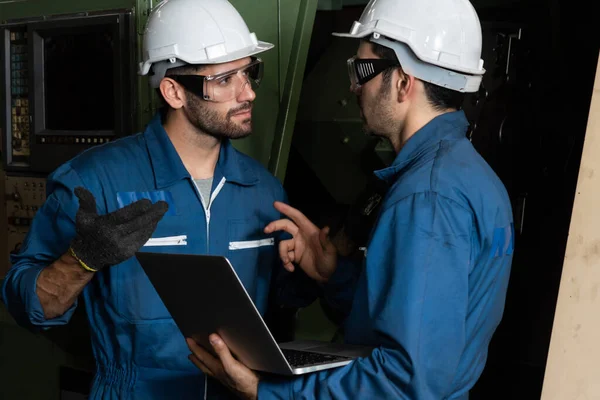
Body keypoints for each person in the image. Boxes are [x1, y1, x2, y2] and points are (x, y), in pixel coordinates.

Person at [185, 0, 515, 398]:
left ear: (403, 82)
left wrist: (265, 392)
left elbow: (405, 380)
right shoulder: (469, 175)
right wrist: (332, 273)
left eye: (362, 71)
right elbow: (421, 323)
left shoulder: (428, 198)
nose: (353, 86)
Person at [1, 0, 314, 398]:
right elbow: (29, 306)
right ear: (173, 91)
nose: (248, 92)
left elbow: (281, 307)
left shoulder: (264, 191)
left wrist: (311, 271)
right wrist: (81, 260)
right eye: (224, 80)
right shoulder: (95, 181)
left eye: (249, 73)